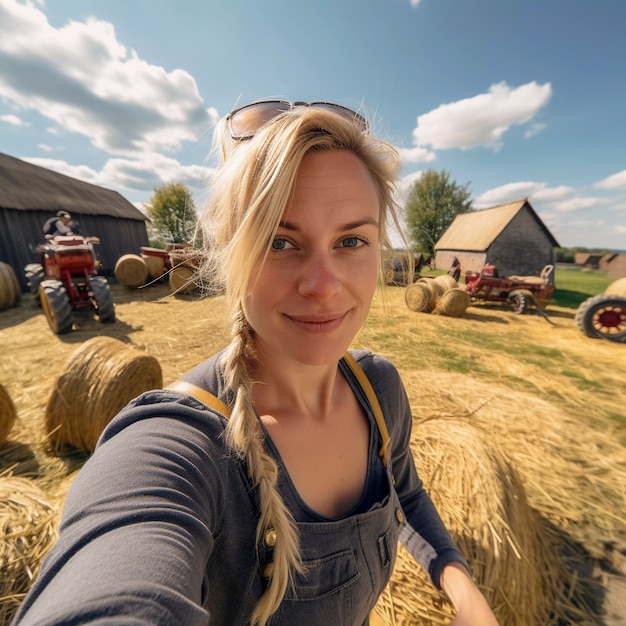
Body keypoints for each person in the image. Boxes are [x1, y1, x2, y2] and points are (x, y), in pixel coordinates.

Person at [12, 101, 498, 626]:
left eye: (351, 241)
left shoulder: (377, 389)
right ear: (229, 251)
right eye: (280, 241)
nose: (323, 285)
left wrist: (459, 582)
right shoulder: (176, 445)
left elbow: (406, 491)